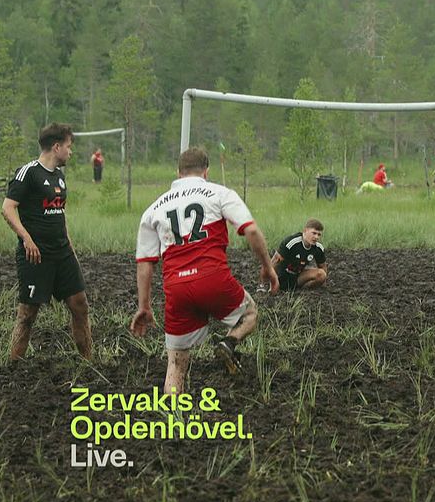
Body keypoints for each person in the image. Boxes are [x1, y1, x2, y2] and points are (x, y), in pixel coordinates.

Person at [132, 148, 279, 394]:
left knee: (176, 363)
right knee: (250, 314)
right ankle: (228, 342)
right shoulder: (219, 193)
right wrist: (267, 267)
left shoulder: (153, 208)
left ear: (178, 173)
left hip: (176, 289)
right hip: (213, 279)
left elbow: (145, 262)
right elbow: (251, 231)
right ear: (206, 171)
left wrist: (144, 306)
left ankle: (172, 419)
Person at [2, 123, 92, 361]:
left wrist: (70, 248)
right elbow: (8, 208)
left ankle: (88, 362)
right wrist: (27, 239)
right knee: (28, 313)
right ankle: (14, 367)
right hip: (35, 256)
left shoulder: (60, 177)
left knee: (79, 305)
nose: (70, 152)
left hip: (62, 254)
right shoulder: (28, 173)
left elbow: (59, 215)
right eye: (68, 146)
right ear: (56, 147)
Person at [271, 219, 328, 291]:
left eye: (319, 234)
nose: (316, 237)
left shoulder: (318, 248)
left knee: (321, 274)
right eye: (314, 233)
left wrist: (323, 283)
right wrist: (271, 283)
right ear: (305, 230)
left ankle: (302, 291)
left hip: (298, 277)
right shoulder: (292, 242)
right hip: (281, 276)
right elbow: (274, 261)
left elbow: (323, 266)